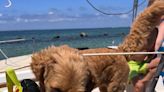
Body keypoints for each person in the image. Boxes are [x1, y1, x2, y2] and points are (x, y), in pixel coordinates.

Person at [132, 16, 164, 92]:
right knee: (139, 85)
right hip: (133, 65)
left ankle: (144, 81)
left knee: (158, 62)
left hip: (144, 64)